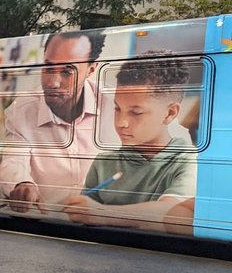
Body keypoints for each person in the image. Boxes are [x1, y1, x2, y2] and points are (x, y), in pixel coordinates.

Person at [62, 55, 196, 234]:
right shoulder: (104, 162)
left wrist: (101, 214)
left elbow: (173, 213)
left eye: (136, 112)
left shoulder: (190, 161)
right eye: (117, 109)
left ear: (170, 113)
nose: (121, 122)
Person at [0, 30, 104, 214]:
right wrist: (22, 183)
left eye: (67, 72)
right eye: (48, 68)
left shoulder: (115, 105)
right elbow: (13, 160)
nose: (53, 82)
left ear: (91, 70)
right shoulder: (22, 111)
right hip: (48, 224)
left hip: (103, 224)